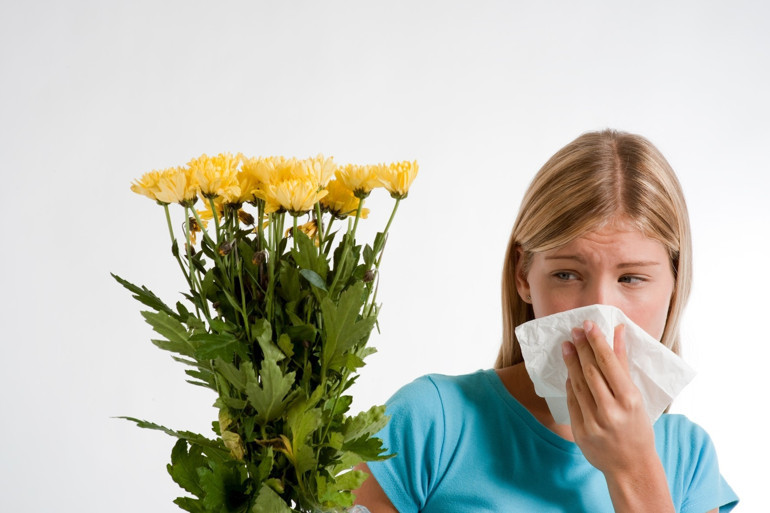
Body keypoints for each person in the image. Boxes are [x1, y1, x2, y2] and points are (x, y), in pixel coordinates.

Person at [353, 130, 739, 512]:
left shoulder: (689, 460)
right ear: (523, 275)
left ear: (674, 283)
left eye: (631, 278)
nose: (598, 313)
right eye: (567, 275)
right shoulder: (429, 421)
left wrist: (633, 468)